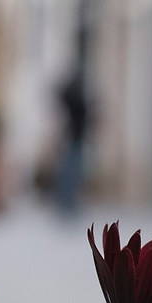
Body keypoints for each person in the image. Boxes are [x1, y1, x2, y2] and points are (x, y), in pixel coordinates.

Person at [54, 72, 90, 217]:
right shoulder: (76, 100)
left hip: (75, 139)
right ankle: (67, 204)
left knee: (71, 173)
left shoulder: (76, 100)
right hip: (73, 139)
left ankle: (68, 203)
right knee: (70, 172)